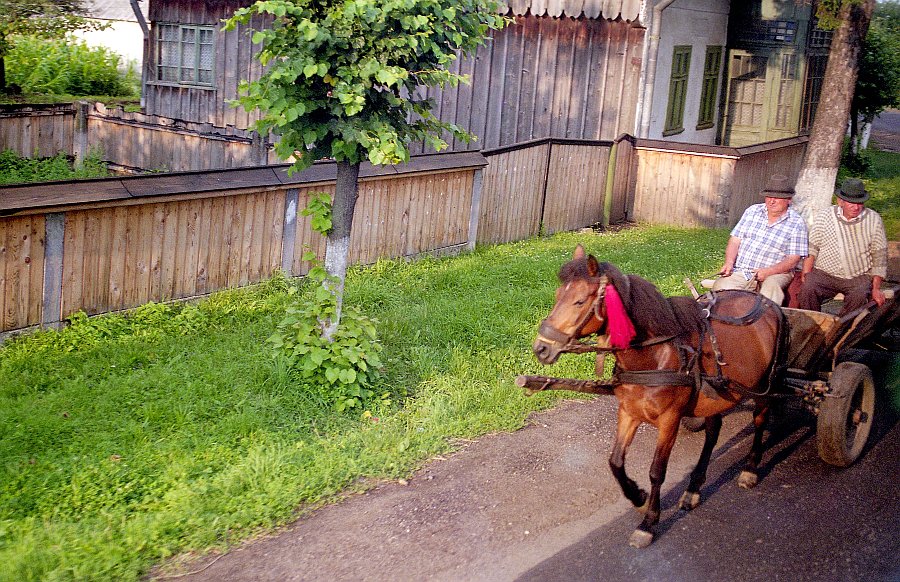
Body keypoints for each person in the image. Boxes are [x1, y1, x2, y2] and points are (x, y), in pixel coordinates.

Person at [712, 174, 808, 305]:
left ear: (789, 200)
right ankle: (731, 322)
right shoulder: (752, 211)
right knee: (722, 288)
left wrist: (769, 271)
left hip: (777, 272)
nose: (771, 201)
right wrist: (729, 262)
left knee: (770, 291)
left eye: (777, 198)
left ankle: (767, 322)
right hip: (744, 270)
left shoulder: (797, 223)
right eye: (769, 197)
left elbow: (792, 260)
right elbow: (735, 240)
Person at [797, 178, 887, 316]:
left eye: (859, 203)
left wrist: (876, 288)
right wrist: (806, 273)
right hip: (825, 273)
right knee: (808, 288)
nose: (856, 207)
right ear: (840, 202)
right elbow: (812, 248)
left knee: (859, 295)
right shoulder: (825, 216)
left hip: (858, 276)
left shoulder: (873, 219)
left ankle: (840, 330)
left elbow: (879, 255)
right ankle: (812, 325)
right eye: (851, 203)